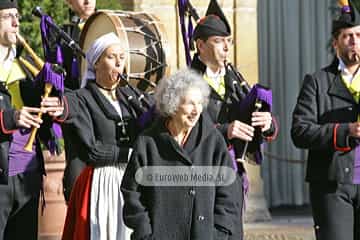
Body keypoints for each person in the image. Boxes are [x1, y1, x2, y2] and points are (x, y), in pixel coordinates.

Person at [190, 0, 277, 239]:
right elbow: (180, 131)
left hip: (232, 170)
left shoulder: (235, 79)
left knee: (232, 232)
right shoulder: (186, 82)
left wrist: (267, 123)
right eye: (218, 41)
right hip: (199, 172)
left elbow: (257, 122)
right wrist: (225, 130)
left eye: (228, 41)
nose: (226, 47)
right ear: (200, 45)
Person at [46, 32, 144, 240]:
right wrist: (59, 106)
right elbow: (92, 150)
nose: (119, 62)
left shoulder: (130, 97)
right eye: (111, 57)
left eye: (122, 57)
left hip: (133, 184)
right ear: (96, 63)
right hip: (103, 184)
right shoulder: (82, 97)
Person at [121, 68, 239, 240]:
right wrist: (145, 233)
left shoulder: (213, 141)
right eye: (190, 103)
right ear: (173, 104)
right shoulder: (148, 142)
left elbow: (229, 192)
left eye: (199, 103)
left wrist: (218, 232)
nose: (196, 110)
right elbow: (132, 193)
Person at [291, 1, 360, 240]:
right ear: (335, 43)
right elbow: (300, 131)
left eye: (359, 35)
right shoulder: (317, 81)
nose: (354, 41)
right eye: (347, 36)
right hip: (333, 185)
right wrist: (346, 130)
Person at [0, 0, 63, 239]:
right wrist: (11, 117)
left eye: (17, 16)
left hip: (29, 172)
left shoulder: (24, 67)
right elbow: (10, 117)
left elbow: (49, 114)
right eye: (7, 16)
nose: (17, 22)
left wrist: (54, 104)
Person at [61, 0, 97, 202]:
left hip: (108, 119)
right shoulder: (63, 33)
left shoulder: (111, 24)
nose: (87, 0)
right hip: (78, 122)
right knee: (77, 188)